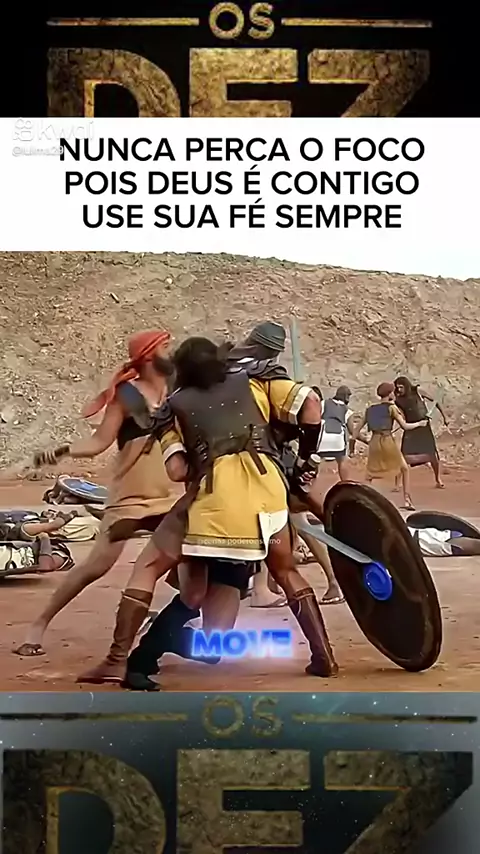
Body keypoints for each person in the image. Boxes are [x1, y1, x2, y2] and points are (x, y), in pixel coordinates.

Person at [80, 336, 338, 689]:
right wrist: (307, 456)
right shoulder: (255, 382)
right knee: (286, 573)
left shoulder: (173, 407)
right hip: (269, 498)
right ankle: (324, 657)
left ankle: (123, 659)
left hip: (214, 508)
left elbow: (177, 472)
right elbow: (310, 403)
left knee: (153, 569)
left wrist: (203, 456)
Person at [13, 329, 180, 658]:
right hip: (130, 498)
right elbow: (99, 441)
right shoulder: (127, 396)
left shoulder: (176, 388)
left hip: (170, 495)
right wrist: (63, 451)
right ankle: (39, 624)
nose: (170, 352)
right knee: (95, 567)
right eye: (165, 347)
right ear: (148, 355)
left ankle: (157, 620)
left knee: (193, 557)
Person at [352, 382, 428, 511]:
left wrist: (354, 447)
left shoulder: (369, 410)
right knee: (404, 469)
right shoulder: (391, 408)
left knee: (369, 475)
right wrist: (420, 424)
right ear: (389, 394)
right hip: (387, 440)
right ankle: (407, 500)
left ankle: (364, 502)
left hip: (374, 442)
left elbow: (354, 433)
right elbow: (405, 426)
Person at [394, 376, 448, 489]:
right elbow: (401, 415)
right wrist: (403, 423)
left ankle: (438, 479)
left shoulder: (418, 391)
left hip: (424, 428)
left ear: (406, 386)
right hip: (411, 428)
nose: (399, 390)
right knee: (404, 456)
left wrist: (445, 417)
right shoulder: (398, 400)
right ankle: (397, 483)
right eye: (397, 387)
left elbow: (436, 402)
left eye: (401, 387)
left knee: (432, 455)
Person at [0, 513, 75, 573]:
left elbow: (45, 566)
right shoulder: (21, 533)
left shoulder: (61, 551)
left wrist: (45, 540)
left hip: (12, 559)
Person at [316, 386, 355, 480]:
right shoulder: (348, 411)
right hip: (338, 441)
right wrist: (365, 439)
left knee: (315, 460)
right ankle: (345, 483)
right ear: (347, 397)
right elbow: (352, 431)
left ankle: (311, 480)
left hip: (323, 439)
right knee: (342, 460)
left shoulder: (323, 403)